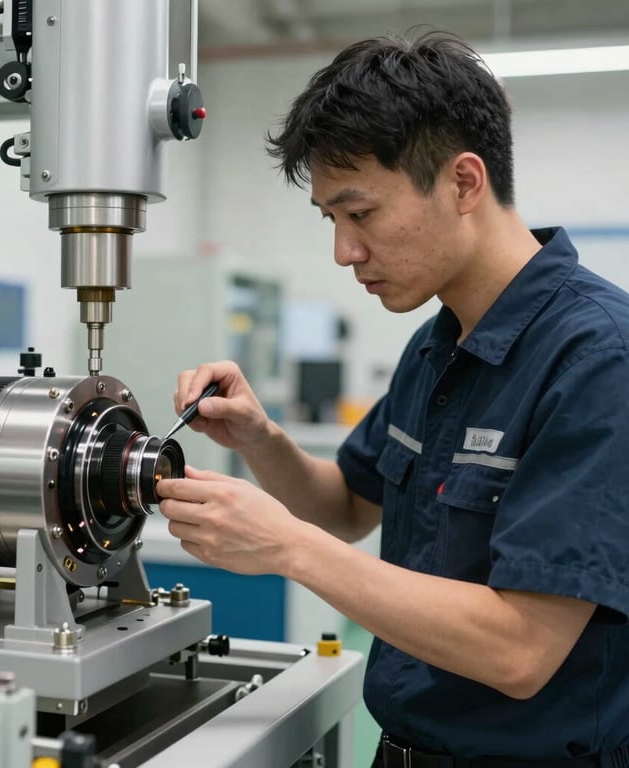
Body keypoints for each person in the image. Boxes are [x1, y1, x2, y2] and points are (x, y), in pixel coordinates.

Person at [156, 30, 629, 767]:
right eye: (331, 221)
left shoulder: (597, 359)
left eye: (361, 214)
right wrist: (260, 438)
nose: (344, 252)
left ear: (465, 183)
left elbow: (521, 650)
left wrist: (284, 547)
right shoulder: (438, 343)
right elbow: (344, 508)